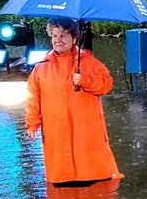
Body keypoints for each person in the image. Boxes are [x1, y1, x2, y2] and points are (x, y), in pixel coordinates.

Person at [25, 17, 122, 186]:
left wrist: (85, 80)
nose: (58, 40)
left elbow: (106, 84)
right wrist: (32, 124)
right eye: (54, 36)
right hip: (56, 133)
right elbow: (33, 98)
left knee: (94, 184)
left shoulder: (89, 62)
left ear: (75, 39)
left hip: (86, 133)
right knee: (61, 189)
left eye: (63, 36)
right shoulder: (40, 67)